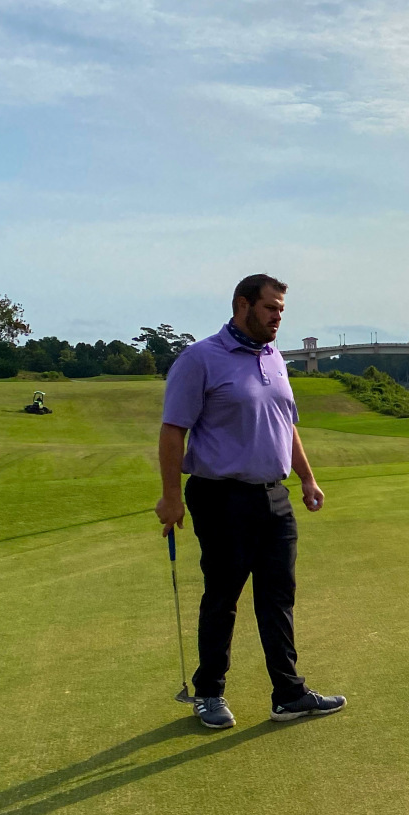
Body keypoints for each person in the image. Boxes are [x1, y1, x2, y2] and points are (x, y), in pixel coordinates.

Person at [155, 273, 346, 730]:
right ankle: (208, 692)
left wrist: (307, 478)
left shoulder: (274, 357)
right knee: (223, 597)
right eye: (270, 308)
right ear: (243, 305)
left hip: (274, 497)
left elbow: (286, 424)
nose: (278, 317)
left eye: (282, 310)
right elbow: (173, 430)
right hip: (220, 496)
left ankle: (288, 694)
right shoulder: (200, 358)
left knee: (278, 597)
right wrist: (170, 496)